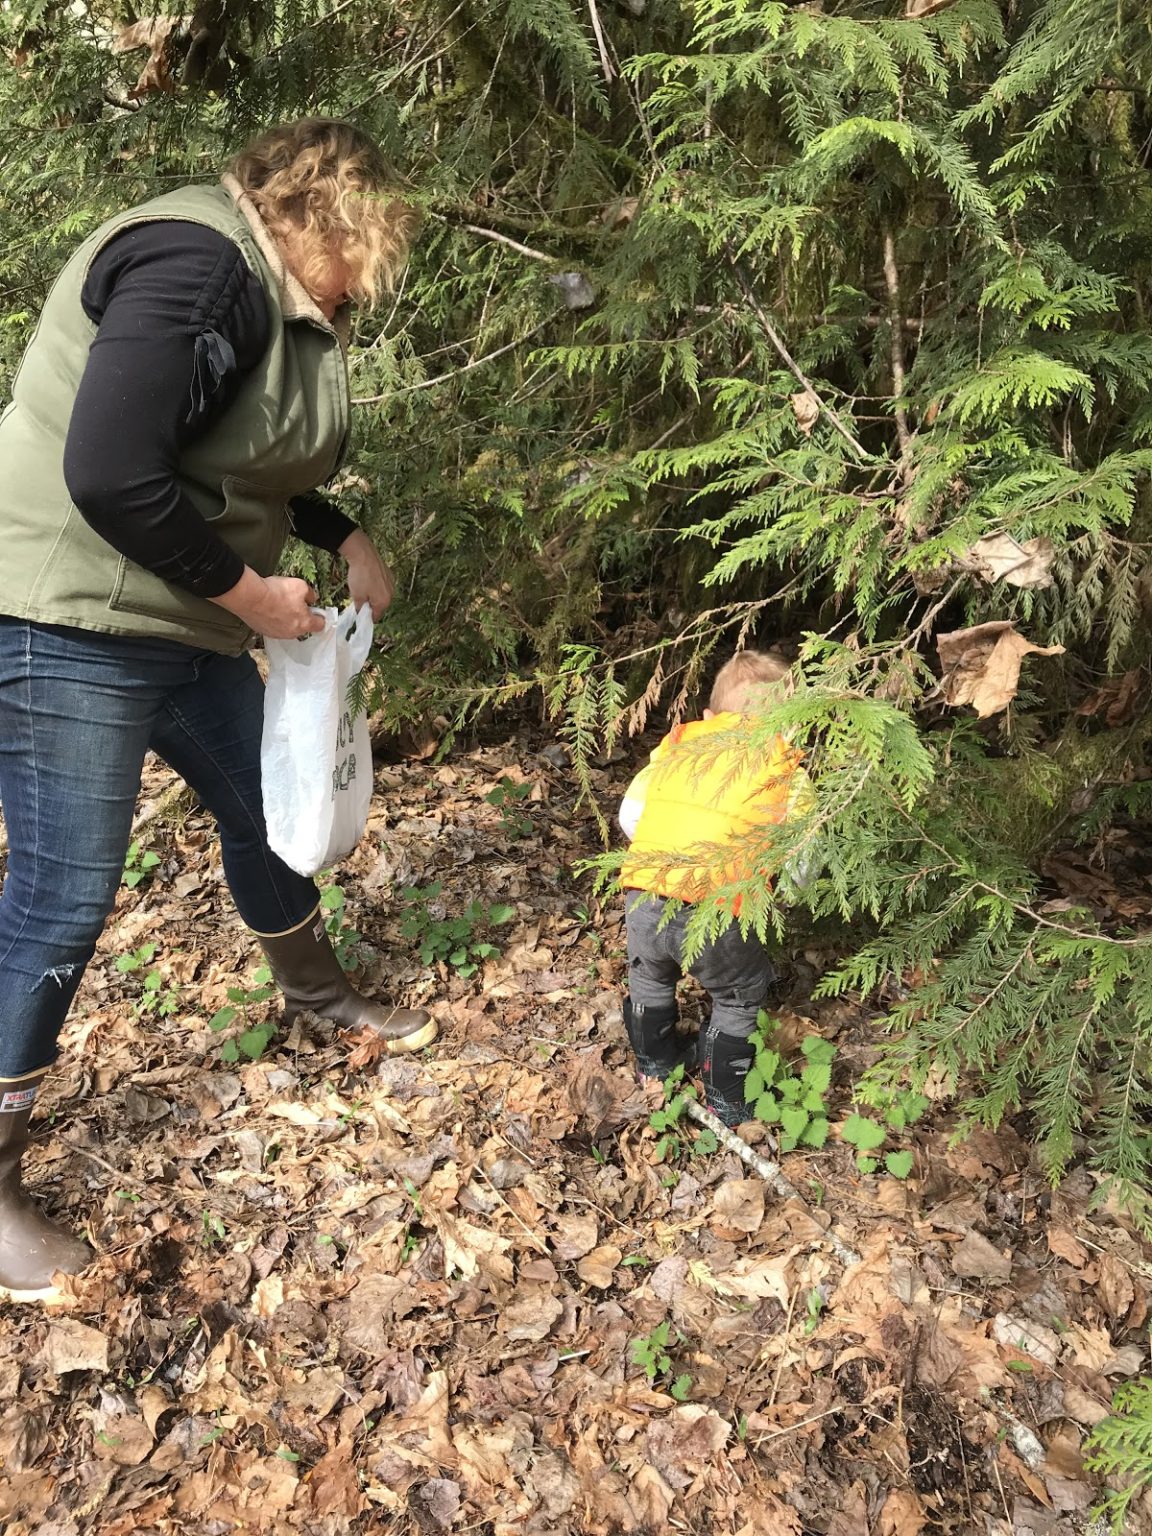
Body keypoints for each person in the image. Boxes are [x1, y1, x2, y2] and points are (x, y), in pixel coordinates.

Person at [0, 118, 437, 1301]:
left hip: (172, 620)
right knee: (63, 893)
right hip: (66, 616)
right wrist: (254, 597)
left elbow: (223, 459)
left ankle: (314, 989)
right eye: (367, 254)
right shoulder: (198, 267)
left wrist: (340, 531)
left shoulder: (264, 294)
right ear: (326, 214)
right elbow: (110, 470)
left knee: (266, 806)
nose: (363, 290)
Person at [618, 649, 812, 1126]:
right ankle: (726, 1097)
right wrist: (786, 894)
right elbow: (802, 862)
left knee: (649, 975)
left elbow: (630, 816)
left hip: (645, 889)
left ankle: (655, 1066)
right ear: (789, 726)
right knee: (738, 995)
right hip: (721, 905)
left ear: (708, 717)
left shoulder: (677, 748)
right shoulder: (785, 769)